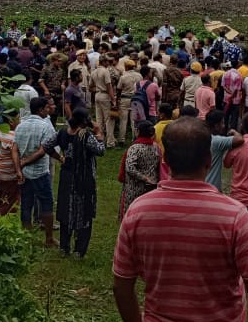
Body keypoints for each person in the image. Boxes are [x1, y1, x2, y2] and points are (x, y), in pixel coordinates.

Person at [113, 117, 248, 322]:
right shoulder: (234, 216)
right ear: (209, 161)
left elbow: (121, 287)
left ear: (164, 161)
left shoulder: (138, 212)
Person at [41, 106, 105, 258]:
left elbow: (46, 146)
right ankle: (79, 250)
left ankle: (64, 247)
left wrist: (60, 158)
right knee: (84, 212)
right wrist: (99, 134)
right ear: (84, 121)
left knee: (65, 210)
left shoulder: (63, 133)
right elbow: (100, 150)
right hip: (83, 178)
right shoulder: (86, 136)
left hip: (67, 176)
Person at [15, 96, 58, 247]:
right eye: (47, 108)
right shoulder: (45, 127)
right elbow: (43, 150)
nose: (49, 110)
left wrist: (19, 167)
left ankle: (26, 237)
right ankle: (49, 238)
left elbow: (14, 148)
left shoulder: (20, 126)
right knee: (46, 204)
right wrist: (60, 158)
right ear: (40, 110)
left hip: (25, 173)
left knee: (26, 204)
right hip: (40, 171)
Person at [118, 120, 160, 219]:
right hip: (151, 186)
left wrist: (144, 178)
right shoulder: (156, 147)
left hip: (134, 187)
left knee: (132, 214)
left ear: (138, 131)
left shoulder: (135, 148)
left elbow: (130, 168)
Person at [0, 117, 22, 216]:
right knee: (11, 202)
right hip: (10, 175)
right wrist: (18, 171)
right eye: (18, 118)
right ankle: (5, 221)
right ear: (11, 122)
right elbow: (15, 156)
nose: (20, 120)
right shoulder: (14, 137)